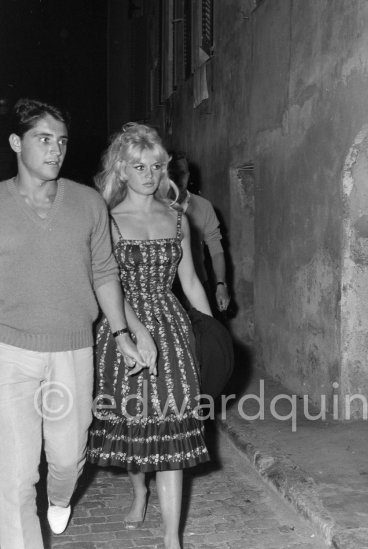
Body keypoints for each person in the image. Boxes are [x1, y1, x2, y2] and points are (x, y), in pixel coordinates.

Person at [0, 99, 155, 549]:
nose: (55, 150)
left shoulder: (87, 203)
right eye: (43, 139)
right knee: (15, 478)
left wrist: (123, 333)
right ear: (16, 142)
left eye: (61, 141)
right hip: (10, 350)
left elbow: (104, 272)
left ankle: (61, 497)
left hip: (73, 348)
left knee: (68, 458)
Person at [87, 123, 212, 549]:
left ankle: (172, 537)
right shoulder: (107, 219)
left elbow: (191, 281)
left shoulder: (178, 217)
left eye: (156, 166)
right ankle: (139, 490)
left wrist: (212, 333)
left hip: (172, 324)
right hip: (122, 325)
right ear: (121, 170)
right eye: (138, 166)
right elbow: (110, 286)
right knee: (137, 424)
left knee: (174, 425)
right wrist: (134, 331)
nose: (149, 173)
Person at [171, 153, 231, 312]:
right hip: (167, 289)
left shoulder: (204, 206)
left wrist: (220, 284)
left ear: (188, 175)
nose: (179, 179)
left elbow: (216, 248)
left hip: (197, 282)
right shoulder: (156, 209)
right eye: (174, 174)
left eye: (182, 173)